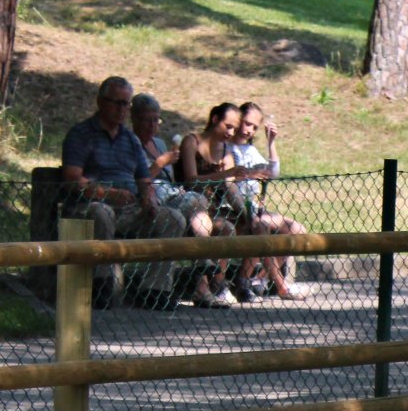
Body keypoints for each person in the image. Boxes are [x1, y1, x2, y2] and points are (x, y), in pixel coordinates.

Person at [60, 76, 186, 309]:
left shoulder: (130, 139)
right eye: (117, 103)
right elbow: (72, 178)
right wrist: (106, 193)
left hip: (129, 207)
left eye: (126, 104)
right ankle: (103, 285)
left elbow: (144, 178)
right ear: (101, 102)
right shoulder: (81, 134)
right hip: (88, 207)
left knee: (173, 218)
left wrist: (148, 198)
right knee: (103, 213)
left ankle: (155, 289)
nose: (122, 109)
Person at [130, 93, 223, 310]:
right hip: (148, 196)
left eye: (156, 119)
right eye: (147, 119)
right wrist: (161, 162)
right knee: (187, 210)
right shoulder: (131, 142)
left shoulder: (161, 143)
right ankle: (203, 259)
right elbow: (139, 180)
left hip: (169, 194)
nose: (153, 125)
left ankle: (202, 259)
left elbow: (170, 179)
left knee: (198, 201)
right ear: (134, 119)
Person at [177, 101, 252, 308]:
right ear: (215, 119)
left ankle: (218, 285)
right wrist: (226, 173)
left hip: (214, 210)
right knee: (201, 226)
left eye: (235, 129)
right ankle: (202, 288)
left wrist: (246, 212)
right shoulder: (191, 142)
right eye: (228, 126)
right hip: (188, 206)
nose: (231, 132)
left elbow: (230, 188)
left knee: (227, 228)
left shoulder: (226, 150)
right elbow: (191, 179)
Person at [229, 101, 305, 300]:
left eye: (254, 127)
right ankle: (278, 286)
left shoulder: (250, 150)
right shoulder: (226, 148)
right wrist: (252, 174)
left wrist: (271, 142)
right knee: (259, 226)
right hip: (231, 208)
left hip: (252, 208)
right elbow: (229, 177)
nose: (249, 130)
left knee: (296, 229)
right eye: (246, 123)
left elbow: (272, 172)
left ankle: (261, 278)